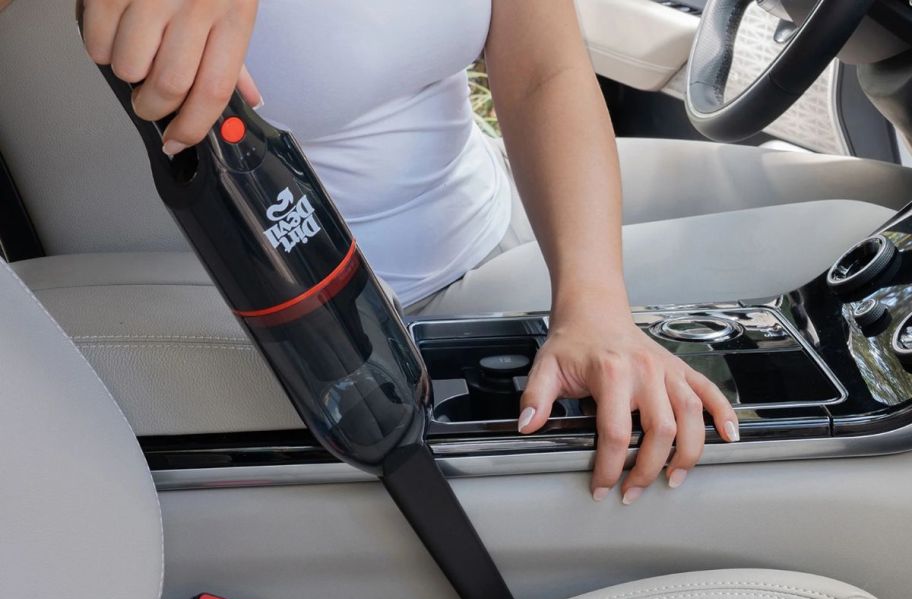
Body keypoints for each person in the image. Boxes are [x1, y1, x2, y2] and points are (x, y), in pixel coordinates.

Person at [78, 0, 740, 504]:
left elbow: (545, 72)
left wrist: (596, 307)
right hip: (359, 323)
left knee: (813, 196)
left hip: (500, 203)